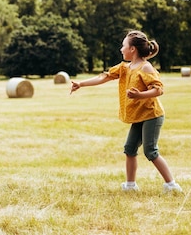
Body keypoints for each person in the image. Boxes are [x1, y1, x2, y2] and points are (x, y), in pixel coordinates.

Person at [70, 30, 183, 194]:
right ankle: (130, 186)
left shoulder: (146, 67)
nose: (121, 49)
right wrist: (81, 84)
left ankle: (172, 185)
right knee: (130, 149)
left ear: (132, 49)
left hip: (152, 114)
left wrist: (139, 95)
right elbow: (105, 77)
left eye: (123, 46)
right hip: (138, 115)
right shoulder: (125, 67)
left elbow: (158, 90)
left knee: (150, 151)